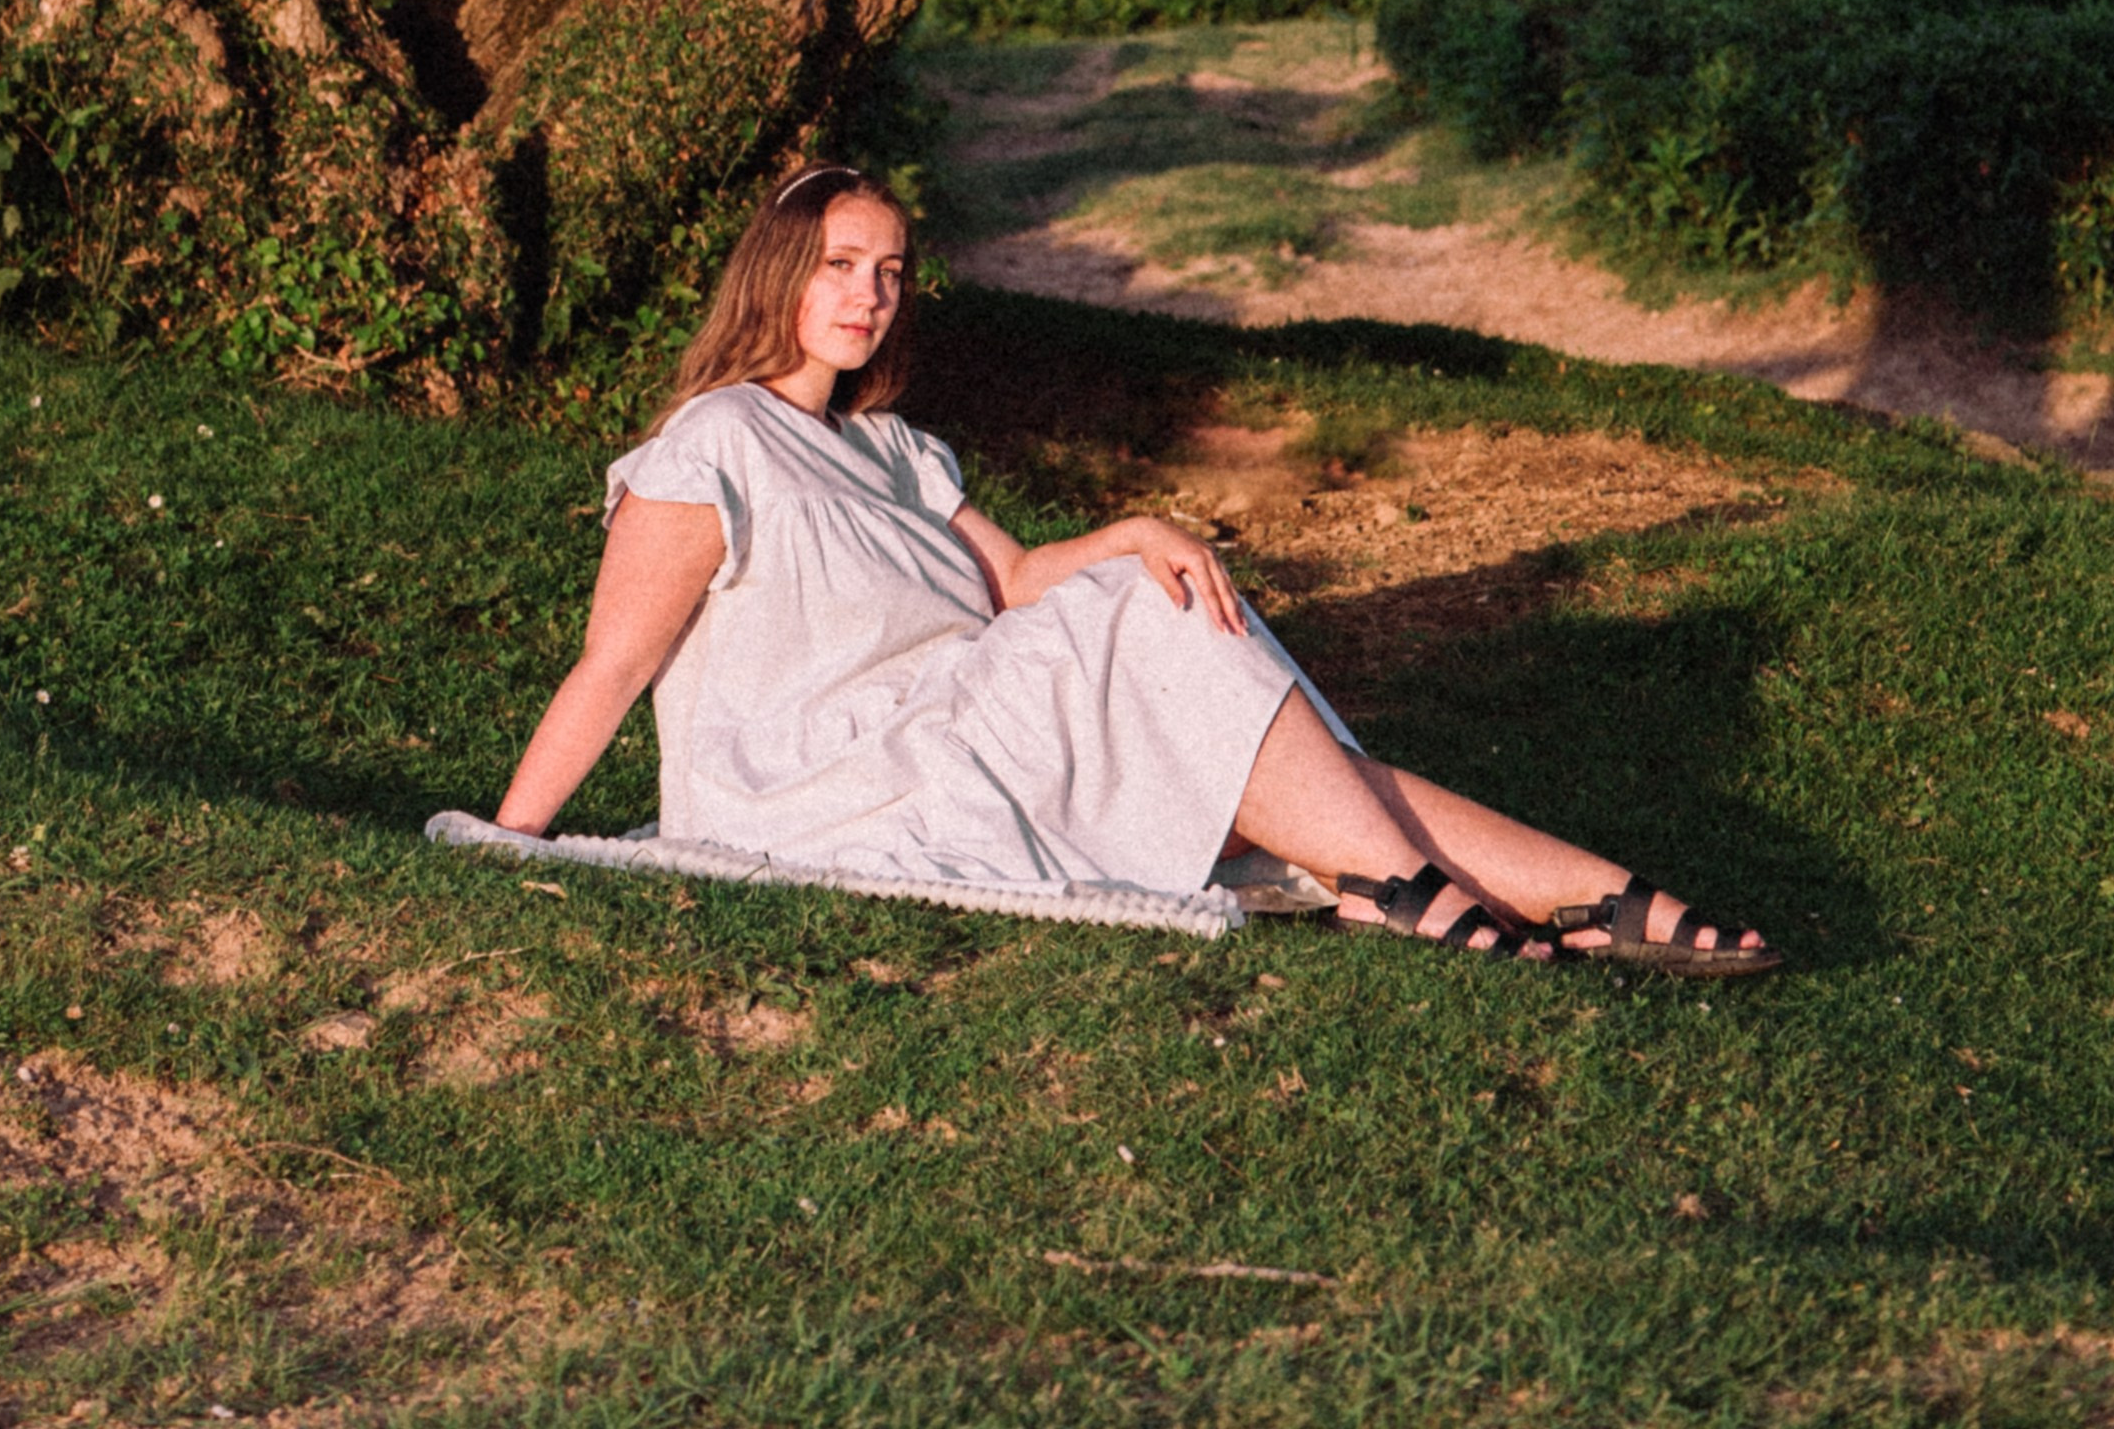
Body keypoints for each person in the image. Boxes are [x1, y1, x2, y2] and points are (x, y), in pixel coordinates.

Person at [495, 167, 1779, 977]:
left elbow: (1013, 581)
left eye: (889, 272)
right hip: (825, 783)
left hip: (962, 727)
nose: (869, 294)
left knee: (1192, 659)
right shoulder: (711, 440)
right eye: (839, 264)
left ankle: (1592, 892)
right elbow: (613, 663)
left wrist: (1131, 534)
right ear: (778, 271)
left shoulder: (895, 447)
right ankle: (1407, 886)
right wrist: (510, 839)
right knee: (1169, 652)